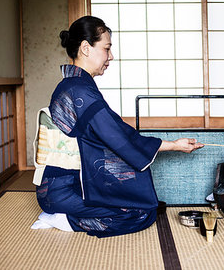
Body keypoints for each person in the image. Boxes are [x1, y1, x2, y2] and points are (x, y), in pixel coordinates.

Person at [31, 16, 203, 237]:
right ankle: (63, 219)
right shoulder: (79, 90)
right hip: (64, 189)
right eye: (106, 48)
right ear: (85, 48)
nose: (110, 56)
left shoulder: (75, 85)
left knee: (147, 205)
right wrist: (174, 145)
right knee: (141, 212)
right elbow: (116, 135)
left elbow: (108, 133)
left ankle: (64, 213)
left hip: (59, 184)